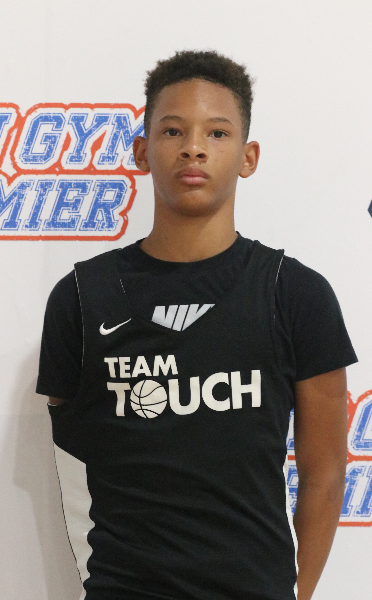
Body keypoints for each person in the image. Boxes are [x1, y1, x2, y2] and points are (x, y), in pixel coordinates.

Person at [36, 50, 357, 600]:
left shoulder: (297, 294)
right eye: (173, 130)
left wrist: (296, 594)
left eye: (217, 132)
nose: (193, 148)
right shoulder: (81, 298)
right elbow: (71, 468)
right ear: (142, 151)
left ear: (248, 157)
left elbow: (325, 474)